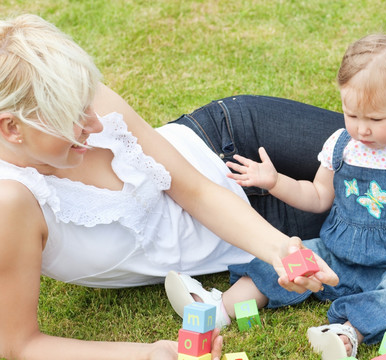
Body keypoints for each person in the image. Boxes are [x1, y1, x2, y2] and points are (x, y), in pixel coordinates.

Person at [0, 14, 339, 360]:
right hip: (254, 223)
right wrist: (148, 355)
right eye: (72, 116)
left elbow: (196, 191)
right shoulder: (11, 200)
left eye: (87, 102)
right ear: (12, 128)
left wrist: (281, 251)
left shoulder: (83, 101)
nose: (96, 122)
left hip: (232, 142)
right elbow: (18, 343)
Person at [166, 34, 386, 360]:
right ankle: (217, 309)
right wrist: (276, 182)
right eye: (352, 114)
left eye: (377, 118)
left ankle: (348, 332)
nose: (362, 128)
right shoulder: (341, 144)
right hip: (335, 255)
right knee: (288, 260)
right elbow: (318, 196)